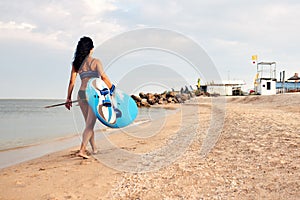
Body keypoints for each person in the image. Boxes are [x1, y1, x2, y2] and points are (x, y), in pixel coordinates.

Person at [65, 36, 114, 159]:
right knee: (90, 125)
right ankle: (82, 150)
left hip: (81, 94)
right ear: (91, 49)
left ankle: (94, 148)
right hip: (92, 94)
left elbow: (72, 82)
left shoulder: (76, 63)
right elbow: (103, 77)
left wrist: (68, 98)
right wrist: (112, 89)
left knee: (88, 123)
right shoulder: (96, 62)